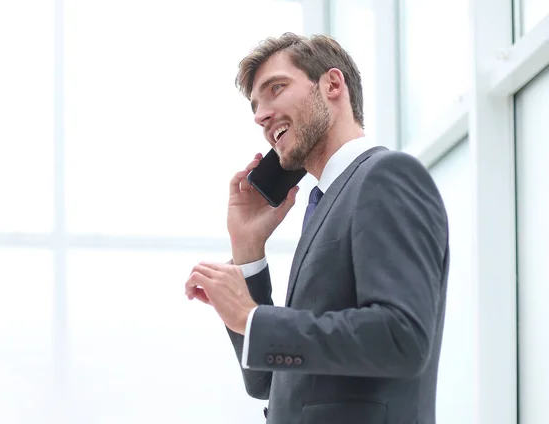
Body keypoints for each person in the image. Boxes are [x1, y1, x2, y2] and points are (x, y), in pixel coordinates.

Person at [185, 32, 449, 424]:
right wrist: (248, 251)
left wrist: (252, 317)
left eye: (277, 88)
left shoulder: (385, 176)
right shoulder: (327, 202)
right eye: (256, 107)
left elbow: (402, 337)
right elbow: (267, 381)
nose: (260, 115)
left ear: (332, 85)